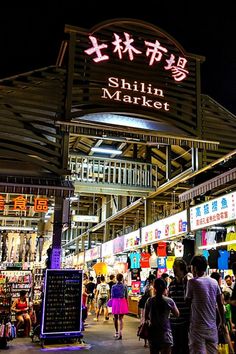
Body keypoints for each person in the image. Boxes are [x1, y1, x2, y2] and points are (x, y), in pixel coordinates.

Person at [185, 255, 225, 354]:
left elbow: (187, 302)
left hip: (197, 329)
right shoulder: (214, 282)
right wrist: (222, 322)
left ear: (194, 268)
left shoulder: (192, 283)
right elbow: (220, 304)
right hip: (212, 328)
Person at [144, 277, 179, 354]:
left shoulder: (149, 301)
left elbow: (146, 317)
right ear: (165, 288)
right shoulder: (169, 301)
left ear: (154, 288)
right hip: (166, 333)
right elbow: (177, 314)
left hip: (153, 333)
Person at [168, 258, 191, 354]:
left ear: (181, 268)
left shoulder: (188, 282)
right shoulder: (172, 284)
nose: (173, 268)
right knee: (174, 346)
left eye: (175, 266)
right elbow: (169, 299)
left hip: (185, 321)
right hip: (173, 321)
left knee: (184, 346)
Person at [110, 273, 129, 340]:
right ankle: (121, 332)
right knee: (121, 318)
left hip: (115, 302)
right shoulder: (125, 286)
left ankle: (116, 332)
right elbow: (126, 296)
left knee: (115, 318)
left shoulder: (113, 287)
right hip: (122, 301)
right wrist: (127, 304)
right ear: (122, 278)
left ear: (116, 278)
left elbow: (112, 296)